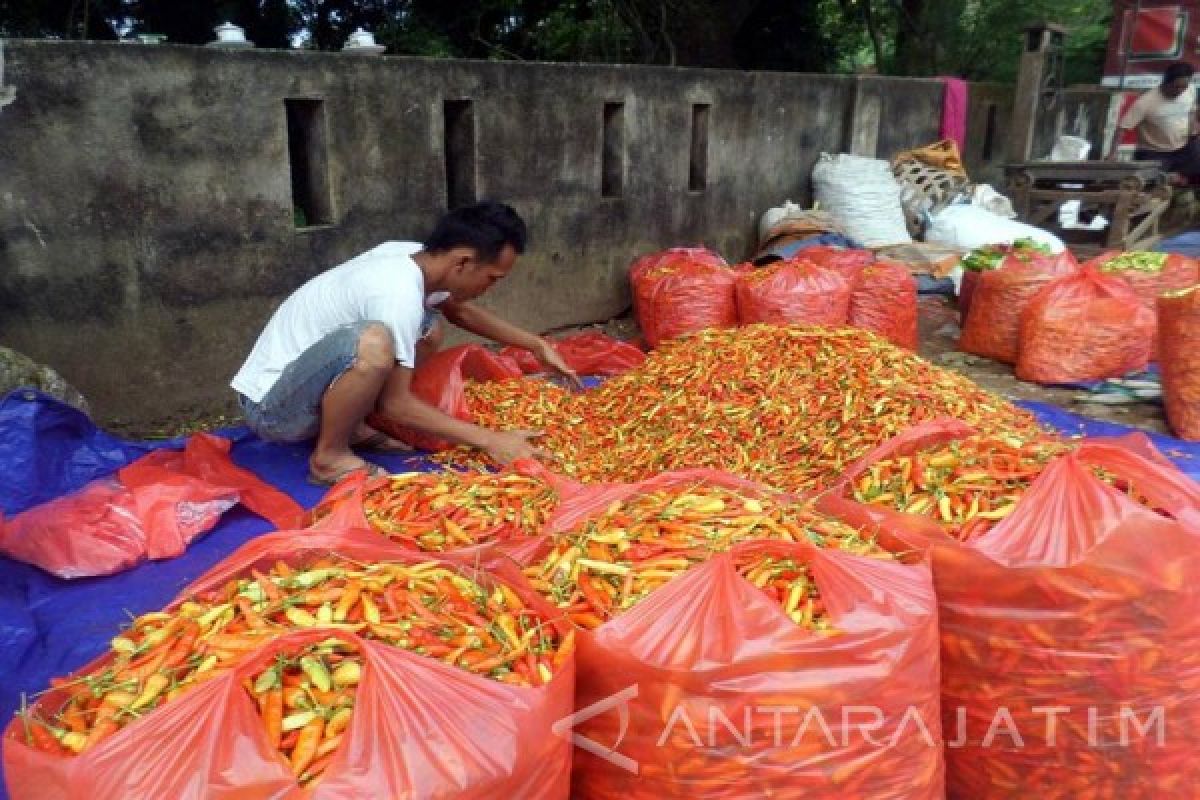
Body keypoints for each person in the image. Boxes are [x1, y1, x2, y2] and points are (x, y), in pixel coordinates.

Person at [230, 202, 581, 485]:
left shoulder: (414, 256)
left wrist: (535, 345)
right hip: (272, 409)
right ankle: (329, 458)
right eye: (492, 278)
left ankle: (352, 423)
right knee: (373, 344)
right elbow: (397, 405)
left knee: (428, 328)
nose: (491, 287)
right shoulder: (395, 292)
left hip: (303, 385)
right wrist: (492, 439)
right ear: (462, 261)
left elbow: (460, 311)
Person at [1109, 61, 1200, 180]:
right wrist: (1112, 154)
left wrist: (1194, 129)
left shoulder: (1190, 91)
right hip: (1155, 152)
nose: (1180, 91)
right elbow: (1122, 127)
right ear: (1166, 82)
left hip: (1183, 146)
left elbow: (1193, 110)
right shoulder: (1146, 102)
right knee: (1153, 179)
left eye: (1184, 87)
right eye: (1176, 87)